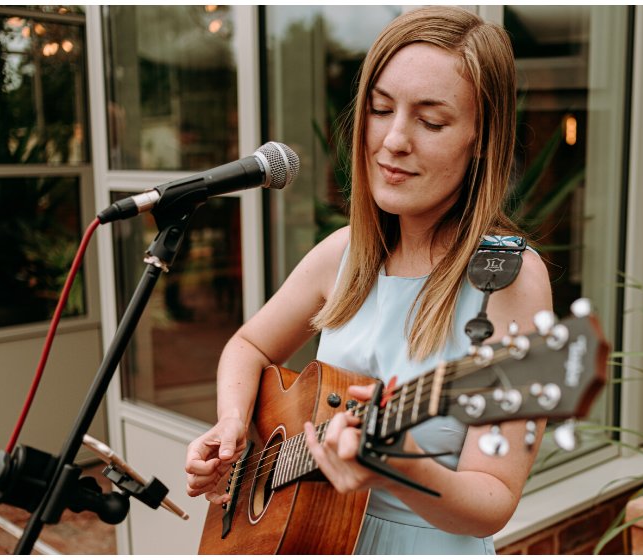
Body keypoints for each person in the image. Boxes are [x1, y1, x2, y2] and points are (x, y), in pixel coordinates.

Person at [185, 6, 552, 554]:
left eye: (431, 121)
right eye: (381, 109)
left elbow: (494, 500)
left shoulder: (507, 277)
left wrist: (395, 468)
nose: (393, 140)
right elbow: (249, 344)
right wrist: (232, 426)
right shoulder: (344, 253)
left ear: (482, 138)